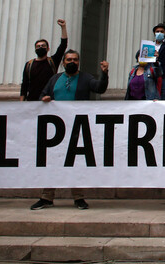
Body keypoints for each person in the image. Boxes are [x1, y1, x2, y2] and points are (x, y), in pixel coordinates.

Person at [31, 51, 109, 211]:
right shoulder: (55, 79)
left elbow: (100, 88)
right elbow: (42, 96)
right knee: (52, 163)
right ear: (63, 63)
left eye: (75, 59)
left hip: (76, 128)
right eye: (69, 59)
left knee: (75, 163)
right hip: (56, 130)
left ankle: (78, 197)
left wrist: (104, 73)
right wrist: (44, 99)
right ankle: (46, 197)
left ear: (79, 62)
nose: (72, 62)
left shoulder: (86, 78)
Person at [20, 18, 68, 101]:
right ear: (35, 49)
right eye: (38, 46)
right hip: (32, 100)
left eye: (43, 46)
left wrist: (63, 27)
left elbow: (63, 45)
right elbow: (24, 84)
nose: (40, 47)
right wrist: (21, 102)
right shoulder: (29, 65)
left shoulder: (53, 61)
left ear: (48, 49)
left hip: (49, 100)